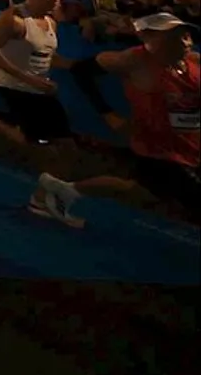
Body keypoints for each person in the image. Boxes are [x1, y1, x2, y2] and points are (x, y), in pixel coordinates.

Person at [0, 0, 132, 227]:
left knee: (56, 146)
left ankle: (42, 196)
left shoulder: (51, 20)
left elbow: (46, 56)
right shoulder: (14, 20)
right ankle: (43, 199)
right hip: (16, 88)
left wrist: (79, 66)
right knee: (45, 147)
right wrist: (29, 79)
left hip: (40, 89)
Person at [69, 13, 199, 220]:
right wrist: (107, 114)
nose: (185, 43)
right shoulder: (132, 60)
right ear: (149, 38)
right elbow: (80, 71)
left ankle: (62, 189)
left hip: (189, 147)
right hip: (157, 151)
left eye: (186, 36)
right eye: (173, 37)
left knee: (136, 189)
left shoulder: (194, 63)